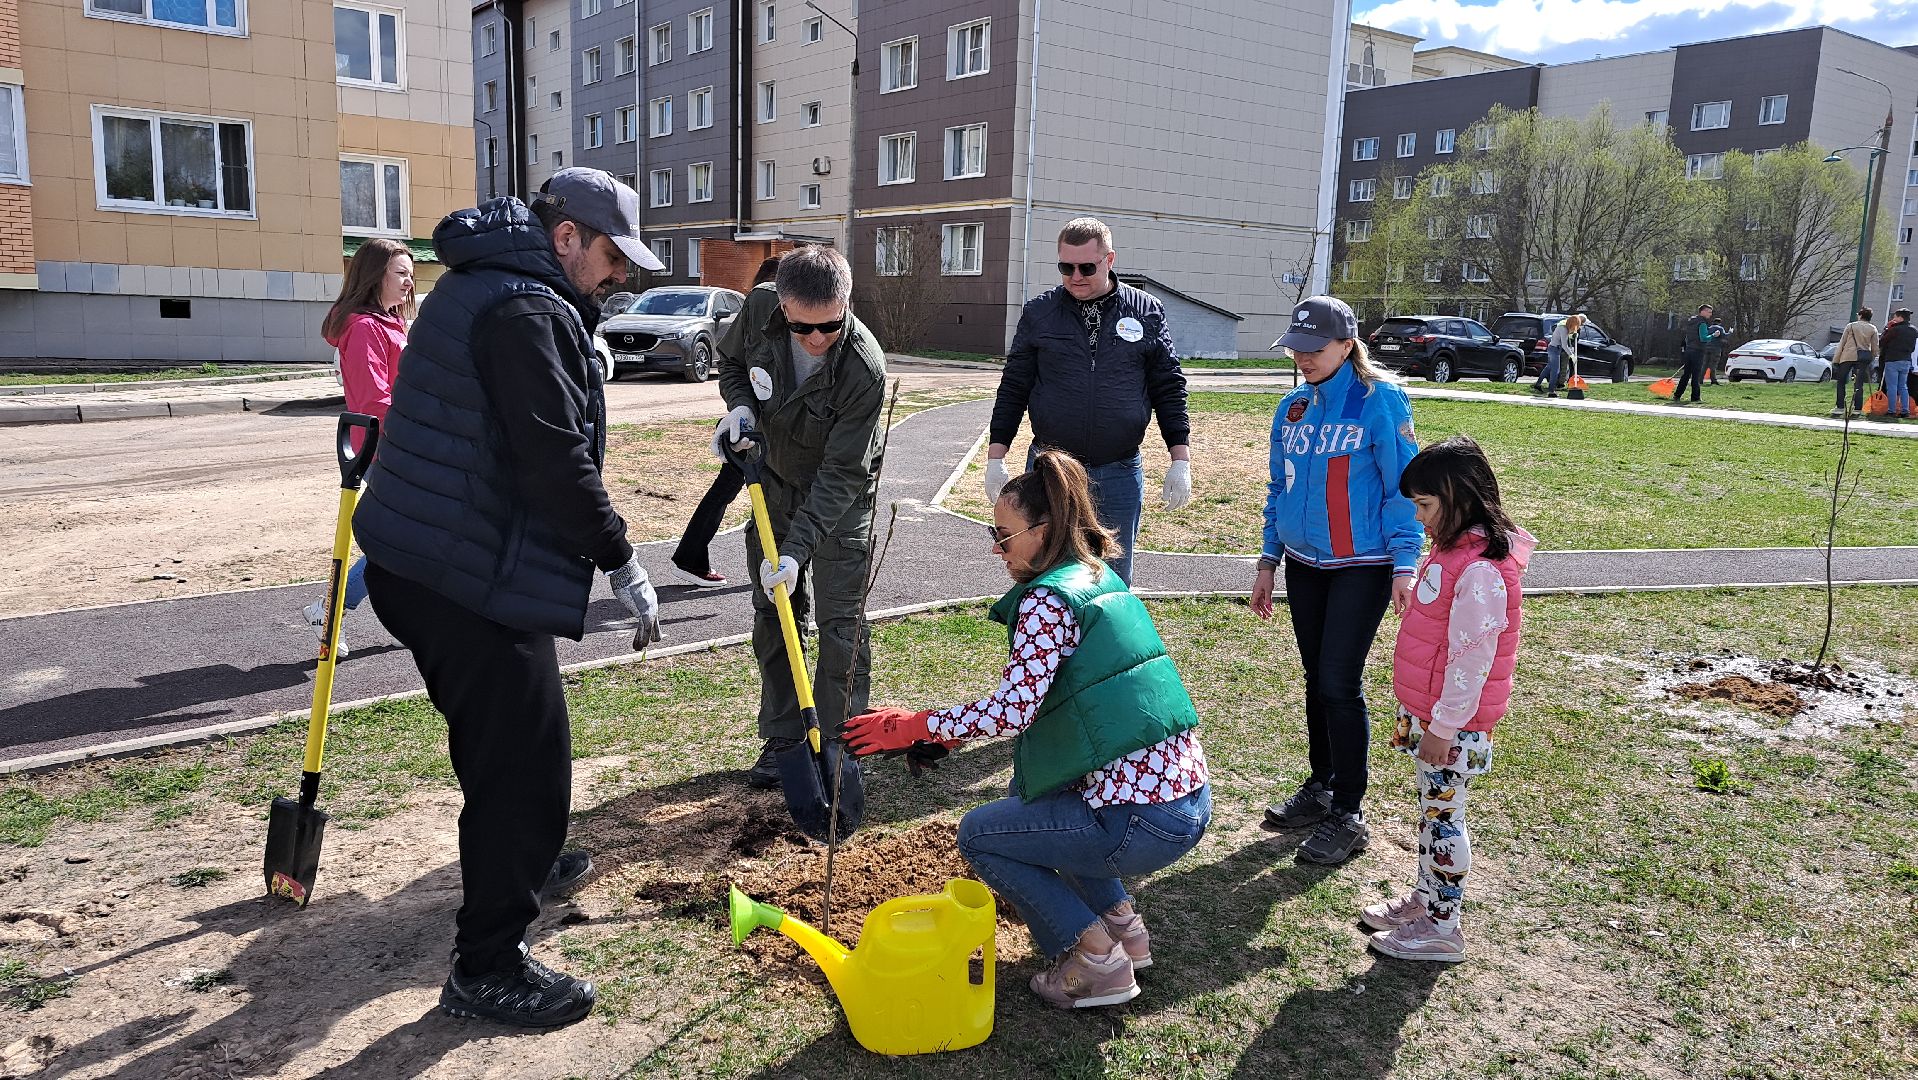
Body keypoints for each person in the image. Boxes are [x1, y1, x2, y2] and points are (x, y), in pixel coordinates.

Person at [351, 169, 666, 1028]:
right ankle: (486, 965)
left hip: (421, 563)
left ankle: (529, 855)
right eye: (609, 258)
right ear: (566, 238)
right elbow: (552, 459)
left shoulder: (487, 282)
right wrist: (620, 557)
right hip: (460, 580)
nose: (618, 277)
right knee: (529, 760)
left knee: (500, 745)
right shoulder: (523, 310)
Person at [843, 450, 1210, 1009]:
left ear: (1045, 529)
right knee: (1030, 803)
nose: (997, 548)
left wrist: (913, 725)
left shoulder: (1047, 599)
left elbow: (1015, 708)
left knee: (983, 834)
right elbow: (1062, 705)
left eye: (1004, 535)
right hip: (1184, 803)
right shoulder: (1095, 576)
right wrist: (943, 735)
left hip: (1136, 822)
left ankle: (1095, 961)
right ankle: (1126, 933)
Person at [1251, 295, 1423, 866]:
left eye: (1314, 348)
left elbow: (1405, 488)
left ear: (1347, 345)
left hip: (1364, 566)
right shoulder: (1292, 408)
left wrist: (1405, 563)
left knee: (1337, 680)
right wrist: (1267, 560)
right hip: (1303, 565)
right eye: (1295, 348)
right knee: (1314, 676)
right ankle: (1320, 784)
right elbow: (1280, 488)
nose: (1302, 358)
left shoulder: (1381, 401)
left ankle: (1349, 810)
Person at [714, 246, 886, 790]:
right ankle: (786, 737)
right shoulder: (759, 309)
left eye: (831, 325)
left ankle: (839, 744)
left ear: (847, 304)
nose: (817, 339)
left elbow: (841, 474)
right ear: (784, 305)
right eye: (804, 327)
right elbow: (733, 363)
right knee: (774, 614)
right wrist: (739, 406)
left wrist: (795, 550)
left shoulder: (863, 366)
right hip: (776, 488)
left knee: (841, 625)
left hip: (841, 502)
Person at [1364, 435, 1534, 964]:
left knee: (1443, 818)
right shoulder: (1453, 551)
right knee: (1431, 812)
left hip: (1449, 724)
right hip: (1431, 712)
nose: (1419, 518)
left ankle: (1443, 927)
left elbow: (1471, 661)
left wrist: (1442, 726)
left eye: (1425, 505)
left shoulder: (1480, 566)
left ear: (1459, 496)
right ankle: (1428, 901)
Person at [985, 217, 1193, 586]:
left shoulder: (1145, 311)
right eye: (1066, 267)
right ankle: (1045, 642)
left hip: (1118, 471)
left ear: (1109, 260)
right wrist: (996, 458)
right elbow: (1014, 387)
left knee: (1112, 580)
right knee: (1046, 572)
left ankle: (1103, 645)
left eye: (1086, 267)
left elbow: (1168, 386)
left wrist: (1181, 460)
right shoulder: (1040, 313)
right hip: (1052, 472)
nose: (1075, 276)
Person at [300, 238, 414, 656]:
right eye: (400, 273)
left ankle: (338, 608)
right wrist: (416, 429)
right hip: (386, 448)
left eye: (409, 273)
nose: (408, 282)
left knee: (407, 539)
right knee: (400, 540)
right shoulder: (366, 327)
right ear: (374, 276)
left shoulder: (387, 321)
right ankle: (332, 607)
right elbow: (372, 399)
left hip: (393, 445)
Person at [670, 254, 785, 586]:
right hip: (756, 430)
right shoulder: (760, 314)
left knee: (726, 491)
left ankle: (691, 555)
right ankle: (695, 556)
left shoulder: (755, 313)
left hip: (751, 426)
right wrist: (743, 412)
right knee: (747, 494)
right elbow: (738, 367)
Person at [1831, 307, 1878, 419]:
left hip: (1847, 356)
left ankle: (1840, 406)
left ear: (1860, 315)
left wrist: (1836, 359)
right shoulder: (1873, 328)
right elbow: (1875, 346)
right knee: (1858, 384)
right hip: (1863, 358)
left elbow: (1842, 343)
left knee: (1841, 381)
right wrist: (1872, 357)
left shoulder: (1851, 326)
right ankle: (1857, 408)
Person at [1674, 304, 1725, 405]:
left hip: (1689, 350)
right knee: (1696, 375)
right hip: (1698, 351)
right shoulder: (1702, 323)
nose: (1711, 314)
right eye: (1709, 312)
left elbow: (1688, 336)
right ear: (1703, 311)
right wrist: (1713, 335)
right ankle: (1695, 397)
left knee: (1686, 374)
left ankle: (1677, 395)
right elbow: (1703, 338)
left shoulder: (1691, 321)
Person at [1530, 313, 1581, 397]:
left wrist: (1572, 336)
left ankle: (1538, 384)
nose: (1576, 327)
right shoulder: (1563, 328)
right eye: (1576, 325)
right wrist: (1571, 355)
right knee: (1555, 371)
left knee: (1549, 367)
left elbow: (1564, 338)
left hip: (1554, 349)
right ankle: (1551, 391)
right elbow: (1564, 345)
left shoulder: (1565, 327)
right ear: (1572, 323)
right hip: (1554, 349)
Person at [1878, 307, 1914, 421]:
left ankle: (1892, 410)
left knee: (1892, 386)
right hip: (1906, 360)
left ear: (1899, 317)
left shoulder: (1894, 330)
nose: (1893, 318)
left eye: (1895, 316)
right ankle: (1905, 410)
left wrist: (1887, 328)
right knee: (1903, 386)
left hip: (1892, 360)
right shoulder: (1914, 330)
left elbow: (1882, 341)